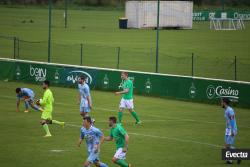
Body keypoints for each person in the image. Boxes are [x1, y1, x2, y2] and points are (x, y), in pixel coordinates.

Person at [221, 98, 241, 164]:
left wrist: (232, 130)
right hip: (228, 129)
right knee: (227, 146)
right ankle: (230, 160)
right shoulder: (226, 110)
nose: (221, 103)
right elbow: (228, 121)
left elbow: (232, 121)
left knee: (227, 146)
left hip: (232, 129)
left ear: (224, 103)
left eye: (222, 102)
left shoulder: (230, 110)